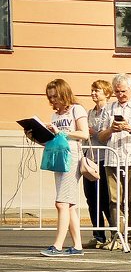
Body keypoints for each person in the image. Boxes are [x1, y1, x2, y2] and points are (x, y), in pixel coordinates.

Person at [98, 74, 131, 251]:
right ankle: (116, 235)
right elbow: (100, 136)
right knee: (114, 200)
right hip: (112, 159)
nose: (120, 95)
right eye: (117, 91)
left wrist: (129, 127)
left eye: (123, 91)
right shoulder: (109, 108)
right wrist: (111, 129)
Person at [37, 79, 89, 256]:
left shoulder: (76, 109)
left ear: (63, 93)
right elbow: (55, 139)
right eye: (49, 97)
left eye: (55, 96)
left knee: (62, 203)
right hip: (59, 157)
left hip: (72, 156)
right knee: (70, 204)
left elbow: (84, 134)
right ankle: (78, 246)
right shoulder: (55, 115)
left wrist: (62, 132)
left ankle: (58, 245)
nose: (52, 100)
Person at [82, 79, 114, 248]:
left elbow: (107, 135)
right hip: (90, 159)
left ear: (106, 93)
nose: (94, 93)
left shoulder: (109, 111)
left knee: (105, 199)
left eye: (97, 90)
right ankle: (98, 235)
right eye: (92, 90)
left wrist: (93, 132)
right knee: (91, 198)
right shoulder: (89, 112)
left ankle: (114, 234)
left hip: (104, 159)